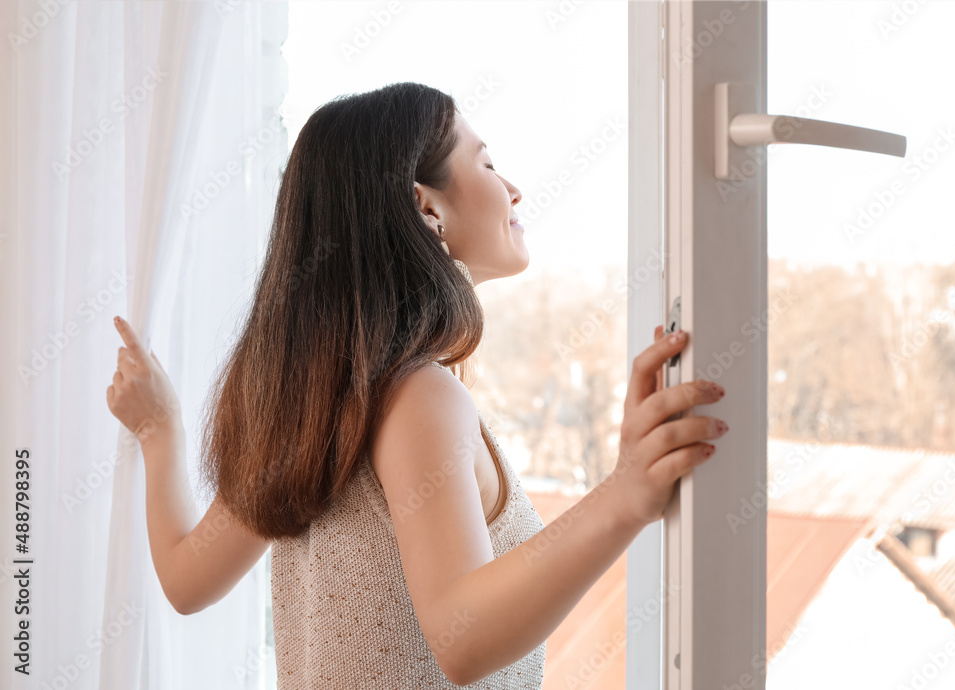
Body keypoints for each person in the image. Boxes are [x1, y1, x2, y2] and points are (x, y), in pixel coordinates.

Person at [105, 81, 728, 688]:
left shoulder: (314, 406)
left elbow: (188, 580)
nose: (513, 189)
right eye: (487, 163)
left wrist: (160, 432)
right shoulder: (417, 397)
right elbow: (463, 639)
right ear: (427, 207)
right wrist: (624, 496)